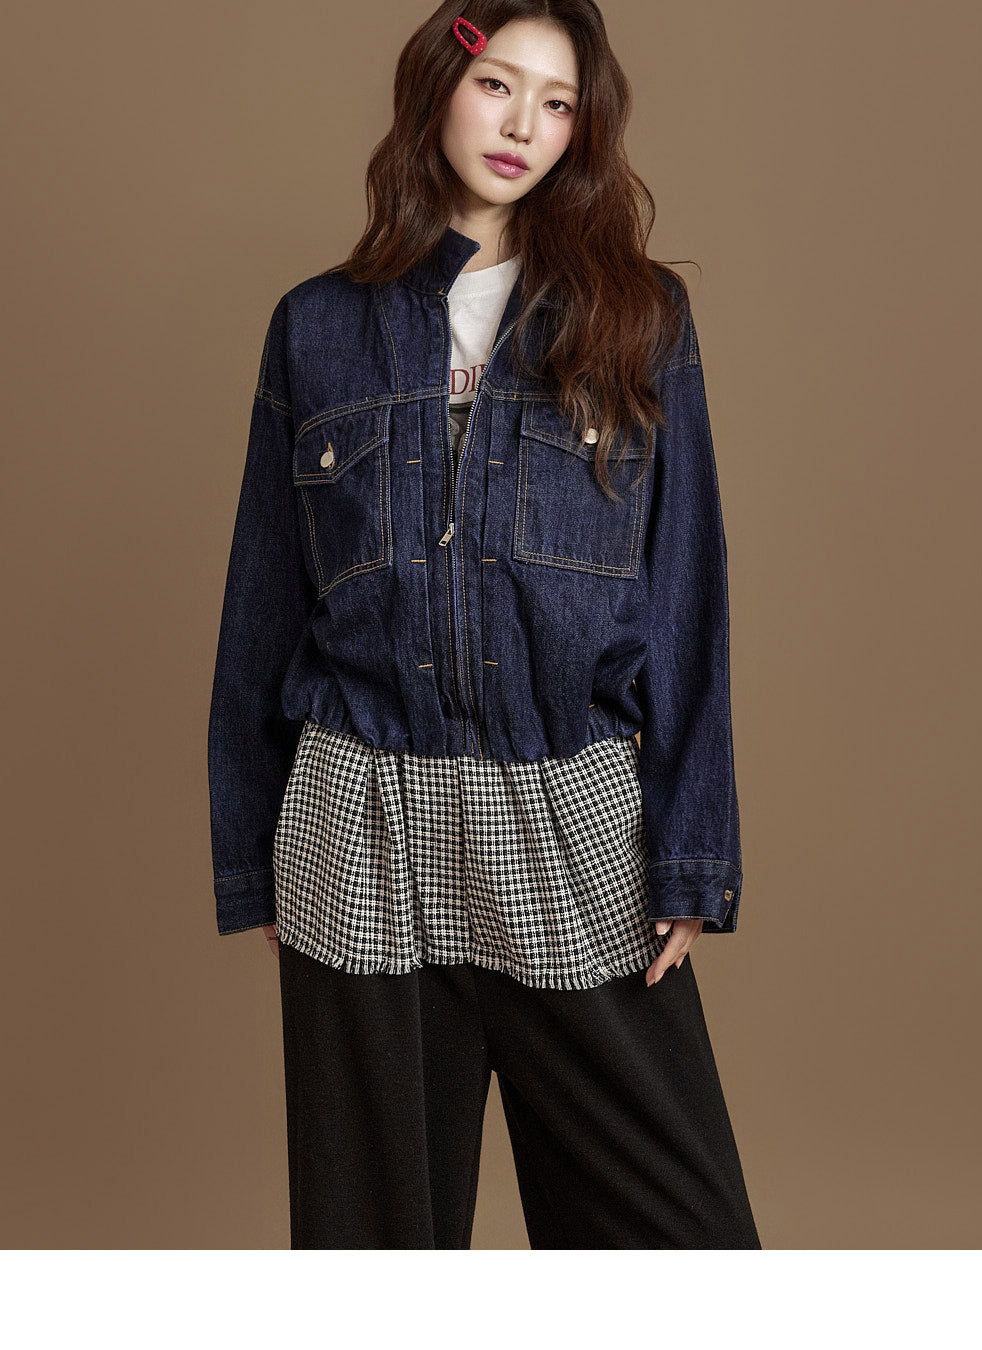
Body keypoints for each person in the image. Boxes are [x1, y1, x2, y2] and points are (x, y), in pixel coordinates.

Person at [207, 0, 762, 1250]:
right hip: (360, 819)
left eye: (556, 103)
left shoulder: (639, 319)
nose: (521, 125)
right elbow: (264, 602)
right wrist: (255, 848)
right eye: (497, 85)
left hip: (565, 812)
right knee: (376, 1259)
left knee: (684, 1257)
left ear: (582, 130)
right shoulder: (317, 327)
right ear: (437, 88)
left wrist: (690, 850)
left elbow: (685, 592)